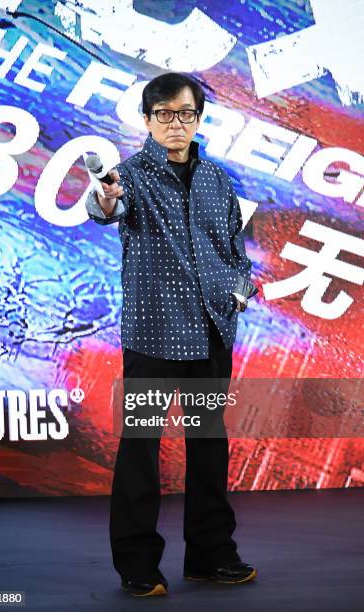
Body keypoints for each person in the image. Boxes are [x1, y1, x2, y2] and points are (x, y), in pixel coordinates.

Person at [86, 72, 258, 597]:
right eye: (164, 114)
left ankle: (211, 555)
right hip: (154, 334)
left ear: (199, 120)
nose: (175, 123)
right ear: (147, 120)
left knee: (209, 447)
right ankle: (137, 564)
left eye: (185, 113)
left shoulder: (217, 179)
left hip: (212, 333)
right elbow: (105, 207)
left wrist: (241, 289)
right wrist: (106, 197)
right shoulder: (130, 176)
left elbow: (233, 246)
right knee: (141, 448)